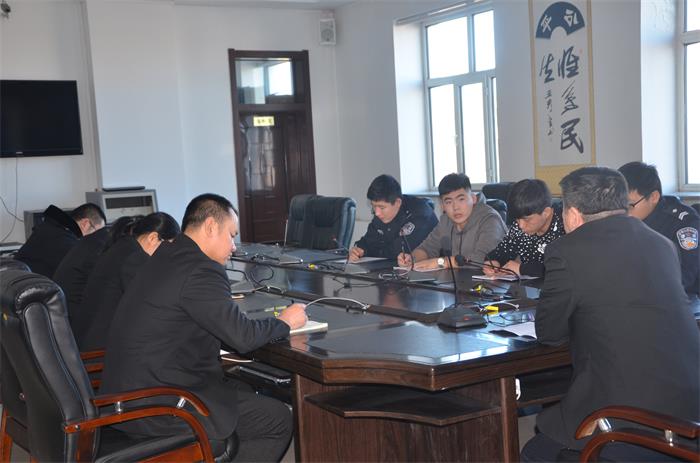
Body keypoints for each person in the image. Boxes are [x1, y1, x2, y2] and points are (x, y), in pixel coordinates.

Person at [99, 194, 307, 462]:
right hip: (160, 405)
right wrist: (285, 322)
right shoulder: (201, 269)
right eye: (231, 235)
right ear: (210, 226)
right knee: (275, 419)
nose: (233, 247)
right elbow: (242, 337)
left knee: (241, 391)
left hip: (127, 397)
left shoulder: (167, 256)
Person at [522, 167, 699, 462]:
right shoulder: (662, 243)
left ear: (573, 214)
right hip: (689, 409)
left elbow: (550, 334)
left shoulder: (566, 250)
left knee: (534, 453)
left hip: (628, 418)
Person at [76, 213, 180, 351]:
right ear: (153, 238)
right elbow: (154, 304)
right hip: (101, 352)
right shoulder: (135, 258)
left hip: (90, 343)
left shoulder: (123, 247)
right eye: (170, 248)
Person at [619, 161, 699, 299]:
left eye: (630, 205)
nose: (623, 212)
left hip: (680, 299)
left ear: (654, 197)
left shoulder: (683, 223)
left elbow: (685, 276)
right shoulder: (618, 218)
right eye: (618, 204)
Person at [398, 173, 506, 270]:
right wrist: (412, 259)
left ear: (473, 199)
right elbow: (427, 248)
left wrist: (443, 262)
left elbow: (483, 260)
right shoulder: (446, 221)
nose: (455, 207)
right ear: (442, 206)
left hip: (492, 283)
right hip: (458, 281)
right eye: (448, 202)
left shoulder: (490, 219)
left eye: (461, 199)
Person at [484, 179, 565, 277]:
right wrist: (493, 262)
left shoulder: (564, 225)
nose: (521, 225)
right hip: (529, 285)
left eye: (527, 219)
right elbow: (502, 251)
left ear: (546, 213)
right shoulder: (519, 225)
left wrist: (522, 269)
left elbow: (562, 267)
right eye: (517, 219)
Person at [350, 174, 437, 262]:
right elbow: (367, 242)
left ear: (398, 202)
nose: (377, 213)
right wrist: (358, 250)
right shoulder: (381, 214)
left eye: (382, 207)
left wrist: (372, 250)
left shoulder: (419, 213)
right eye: (374, 206)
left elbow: (399, 252)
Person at [15, 203, 106, 277]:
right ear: (85, 224)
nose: (97, 238)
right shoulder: (65, 242)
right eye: (97, 233)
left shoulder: (51, 229)